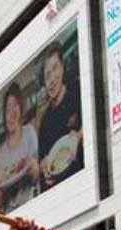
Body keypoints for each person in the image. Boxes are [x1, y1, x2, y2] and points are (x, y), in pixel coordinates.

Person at [38, 40, 83, 191]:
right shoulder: (45, 122)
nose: (52, 80)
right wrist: (44, 166)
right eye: (47, 76)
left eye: (55, 68)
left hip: (84, 177)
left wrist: (78, 136)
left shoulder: (78, 89)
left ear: (63, 68)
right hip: (61, 190)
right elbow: (43, 159)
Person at [0, 82, 40, 211]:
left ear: (21, 109)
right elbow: (1, 191)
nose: (12, 113)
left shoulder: (29, 132)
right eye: (8, 109)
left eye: (15, 106)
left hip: (32, 204)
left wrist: (32, 165)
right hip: (12, 214)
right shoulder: (1, 151)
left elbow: (37, 175)